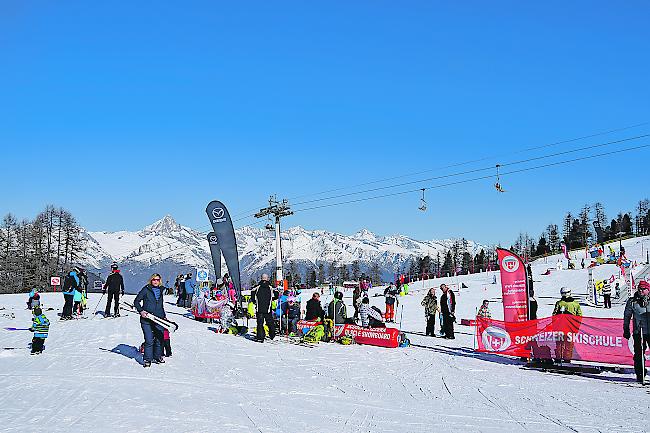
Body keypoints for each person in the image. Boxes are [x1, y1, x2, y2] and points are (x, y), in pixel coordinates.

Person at [134, 273, 167, 368]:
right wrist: (141, 311)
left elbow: (160, 305)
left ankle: (157, 356)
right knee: (149, 340)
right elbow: (136, 301)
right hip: (147, 318)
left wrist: (164, 316)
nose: (155, 281)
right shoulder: (146, 289)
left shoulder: (161, 290)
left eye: (157, 279)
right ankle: (147, 359)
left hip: (159, 318)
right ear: (151, 280)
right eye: (154, 279)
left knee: (159, 339)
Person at [623, 280, 650, 384]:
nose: (641, 291)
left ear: (648, 289)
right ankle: (640, 374)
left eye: (643, 289)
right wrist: (626, 329)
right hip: (639, 331)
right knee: (638, 354)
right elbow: (627, 316)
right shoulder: (632, 301)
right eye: (639, 289)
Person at [552, 287, 582, 362]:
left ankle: (558, 358)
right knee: (569, 344)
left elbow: (554, 315)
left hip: (560, 327)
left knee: (559, 344)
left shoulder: (559, 303)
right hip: (571, 328)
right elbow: (579, 316)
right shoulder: (575, 304)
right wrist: (576, 326)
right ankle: (567, 359)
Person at [251, 274, 276, 342]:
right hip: (268, 308)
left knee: (260, 323)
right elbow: (277, 294)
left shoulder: (257, 286)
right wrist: (271, 299)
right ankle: (272, 334)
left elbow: (252, 294)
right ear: (267, 279)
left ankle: (260, 337)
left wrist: (255, 302)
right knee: (270, 322)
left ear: (261, 278)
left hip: (259, 308)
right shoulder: (271, 287)